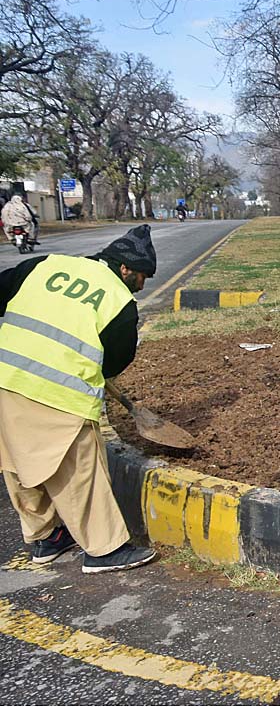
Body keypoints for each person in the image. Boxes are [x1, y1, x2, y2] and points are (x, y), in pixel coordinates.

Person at [0, 225, 159, 573]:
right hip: (60, 394)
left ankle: (47, 538)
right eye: (143, 276)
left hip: (7, 381)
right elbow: (115, 362)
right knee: (78, 471)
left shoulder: (43, 265)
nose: (143, 285)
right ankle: (104, 550)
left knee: (18, 464)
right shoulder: (120, 303)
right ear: (124, 269)